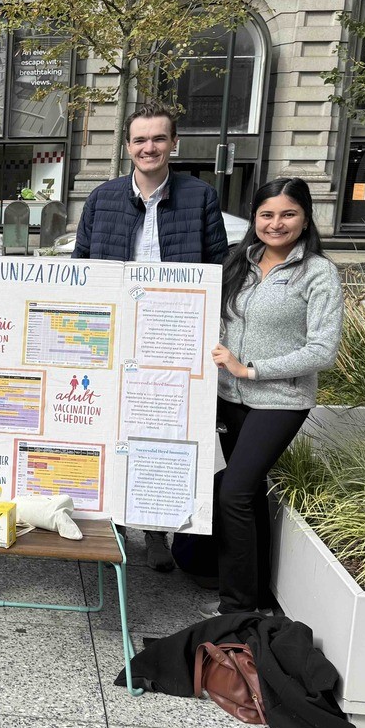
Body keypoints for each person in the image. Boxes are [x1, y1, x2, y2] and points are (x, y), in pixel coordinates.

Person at [72, 99, 229, 571]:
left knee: (161, 432)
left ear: (173, 144)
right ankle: (113, 525)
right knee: (111, 427)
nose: (149, 147)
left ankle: (156, 530)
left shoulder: (200, 196)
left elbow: (219, 265)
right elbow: (80, 266)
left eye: (159, 138)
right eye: (140, 139)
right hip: (112, 337)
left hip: (172, 338)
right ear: (128, 146)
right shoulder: (102, 198)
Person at [210, 177, 342, 615]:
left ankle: (237, 606)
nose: (276, 223)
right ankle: (260, 595)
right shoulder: (238, 263)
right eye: (267, 214)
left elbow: (322, 349)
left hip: (280, 400)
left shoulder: (318, 272)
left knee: (233, 492)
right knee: (247, 492)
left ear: (305, 220)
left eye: (288, 214)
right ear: (254, 219)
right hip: (231, 396)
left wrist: (251, 369)